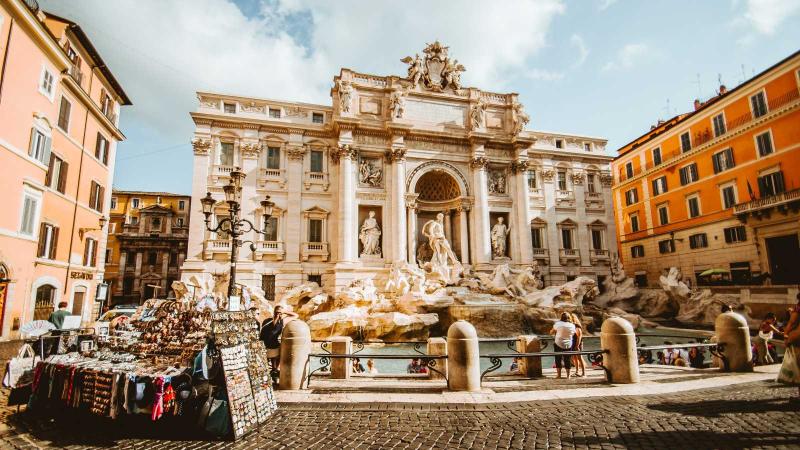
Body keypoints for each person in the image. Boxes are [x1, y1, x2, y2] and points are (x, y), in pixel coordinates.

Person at [259, 305, 298, 375]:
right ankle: (275, 369)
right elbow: (296, 315)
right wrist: (285, 312)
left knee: (277, 348)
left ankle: (274, 368)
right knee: (282, 351)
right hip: (272, 347)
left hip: (263, 345)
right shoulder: (281, 322)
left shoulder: (266, 321)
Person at [550, 312, 576, 379]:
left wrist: (557, 331)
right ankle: (568, 375)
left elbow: (551, 332)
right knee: (567, 359)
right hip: (568, 344)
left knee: (558, 359)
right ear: (569, 318)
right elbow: (573, 334)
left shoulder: (558, 324)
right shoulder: (572, 325)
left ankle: (559, 375)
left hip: (558, 343)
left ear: (561, 317)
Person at [570, 313, 586, 377]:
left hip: (577, 345)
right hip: (574, 344)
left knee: (580, 358)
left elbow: (579, 338)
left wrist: (577, 346)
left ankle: (584, 373)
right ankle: (577, 371)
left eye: (570, 319)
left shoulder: (577, 327)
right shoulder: (573, 327)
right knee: (575, 358)